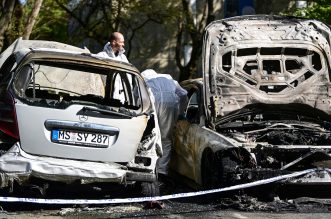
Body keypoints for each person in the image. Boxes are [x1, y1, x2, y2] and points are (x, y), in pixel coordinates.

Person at [141, 69, 188, 179]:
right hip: (170, 103)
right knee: (165, 139)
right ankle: (162, 172)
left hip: (151, 102)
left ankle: (146, 169)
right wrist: (180, 112)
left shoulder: (143, 80)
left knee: (147, 137)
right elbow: (183, 94)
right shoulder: (168, 78)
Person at [97, 32, 129, 103]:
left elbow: (128, 80)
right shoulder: (101, 57)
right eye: (121, 42)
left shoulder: (123, 58)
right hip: (104, 101)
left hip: (122, 102)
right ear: (114, 42)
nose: (123, 44)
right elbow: (95, 79)